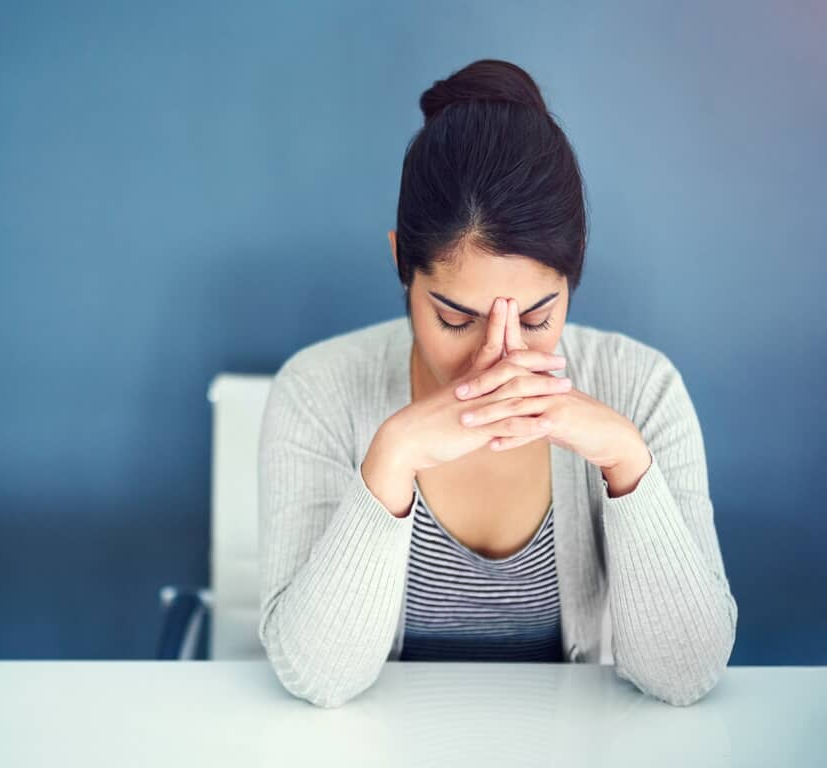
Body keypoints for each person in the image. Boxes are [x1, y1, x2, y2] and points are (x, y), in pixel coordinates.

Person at [256, 58, 737, 709]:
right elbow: (318, 676)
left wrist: (626, 463)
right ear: (401, 260)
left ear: (576, 272)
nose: (499, 357)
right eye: (456, 318)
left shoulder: (642, 388)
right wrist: (390, 461)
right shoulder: (316, 392)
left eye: (537, 317)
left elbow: (686, 675)